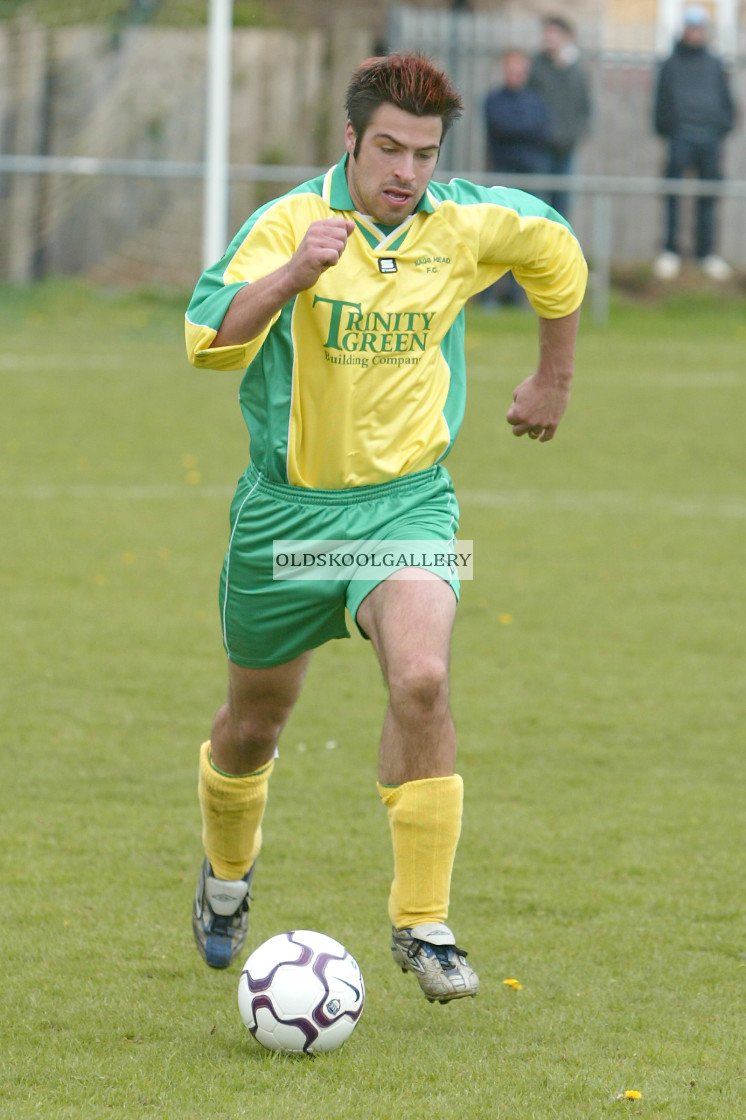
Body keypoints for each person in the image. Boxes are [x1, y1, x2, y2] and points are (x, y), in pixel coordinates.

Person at [184, 52, 587, 1003]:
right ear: (352, 142)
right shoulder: (289, 222)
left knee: (422, 677)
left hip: (406, 504)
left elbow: (556, 253)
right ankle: (227, 877)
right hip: (287, 516)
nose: (406, 172)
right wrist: (294, 274)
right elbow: (206, 339)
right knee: (254, 723)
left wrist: (553, 378)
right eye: (390, 150)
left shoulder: (464, 221)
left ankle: (423, 924)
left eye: (425, 154)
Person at [652, 4, 736, 281]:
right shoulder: (671, 63)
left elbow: (727, 101)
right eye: (691, 28)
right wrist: (669, 128)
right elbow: (661, 101)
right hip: (680, 137)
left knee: (708, 196)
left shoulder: (714, 64)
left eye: (699, 28)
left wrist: (721, 126)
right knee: (673, 195)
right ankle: (670, 251)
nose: (694, 34)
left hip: (709, 139)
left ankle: (706, 253)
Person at [484, 47, 553, 305]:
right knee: (497, 237)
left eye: (519, 69)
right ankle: (489, 295)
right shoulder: (493, 100)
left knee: (525, 237)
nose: (514, 73)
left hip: (530, 178)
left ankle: (517, 296)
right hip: (502, 176)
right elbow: (501, 127)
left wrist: (519, 129)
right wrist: (523, 129)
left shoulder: (536, 100)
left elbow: (542, 129)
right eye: (510, 68)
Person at [528, 14, 591, 219]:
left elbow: (584, 107)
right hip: (541, 145)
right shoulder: (536, 66)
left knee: (562, 202)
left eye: (554, 33)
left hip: (566, 146)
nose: (549, 38)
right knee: (537, 200)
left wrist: (575, 134)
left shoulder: (575, 69)